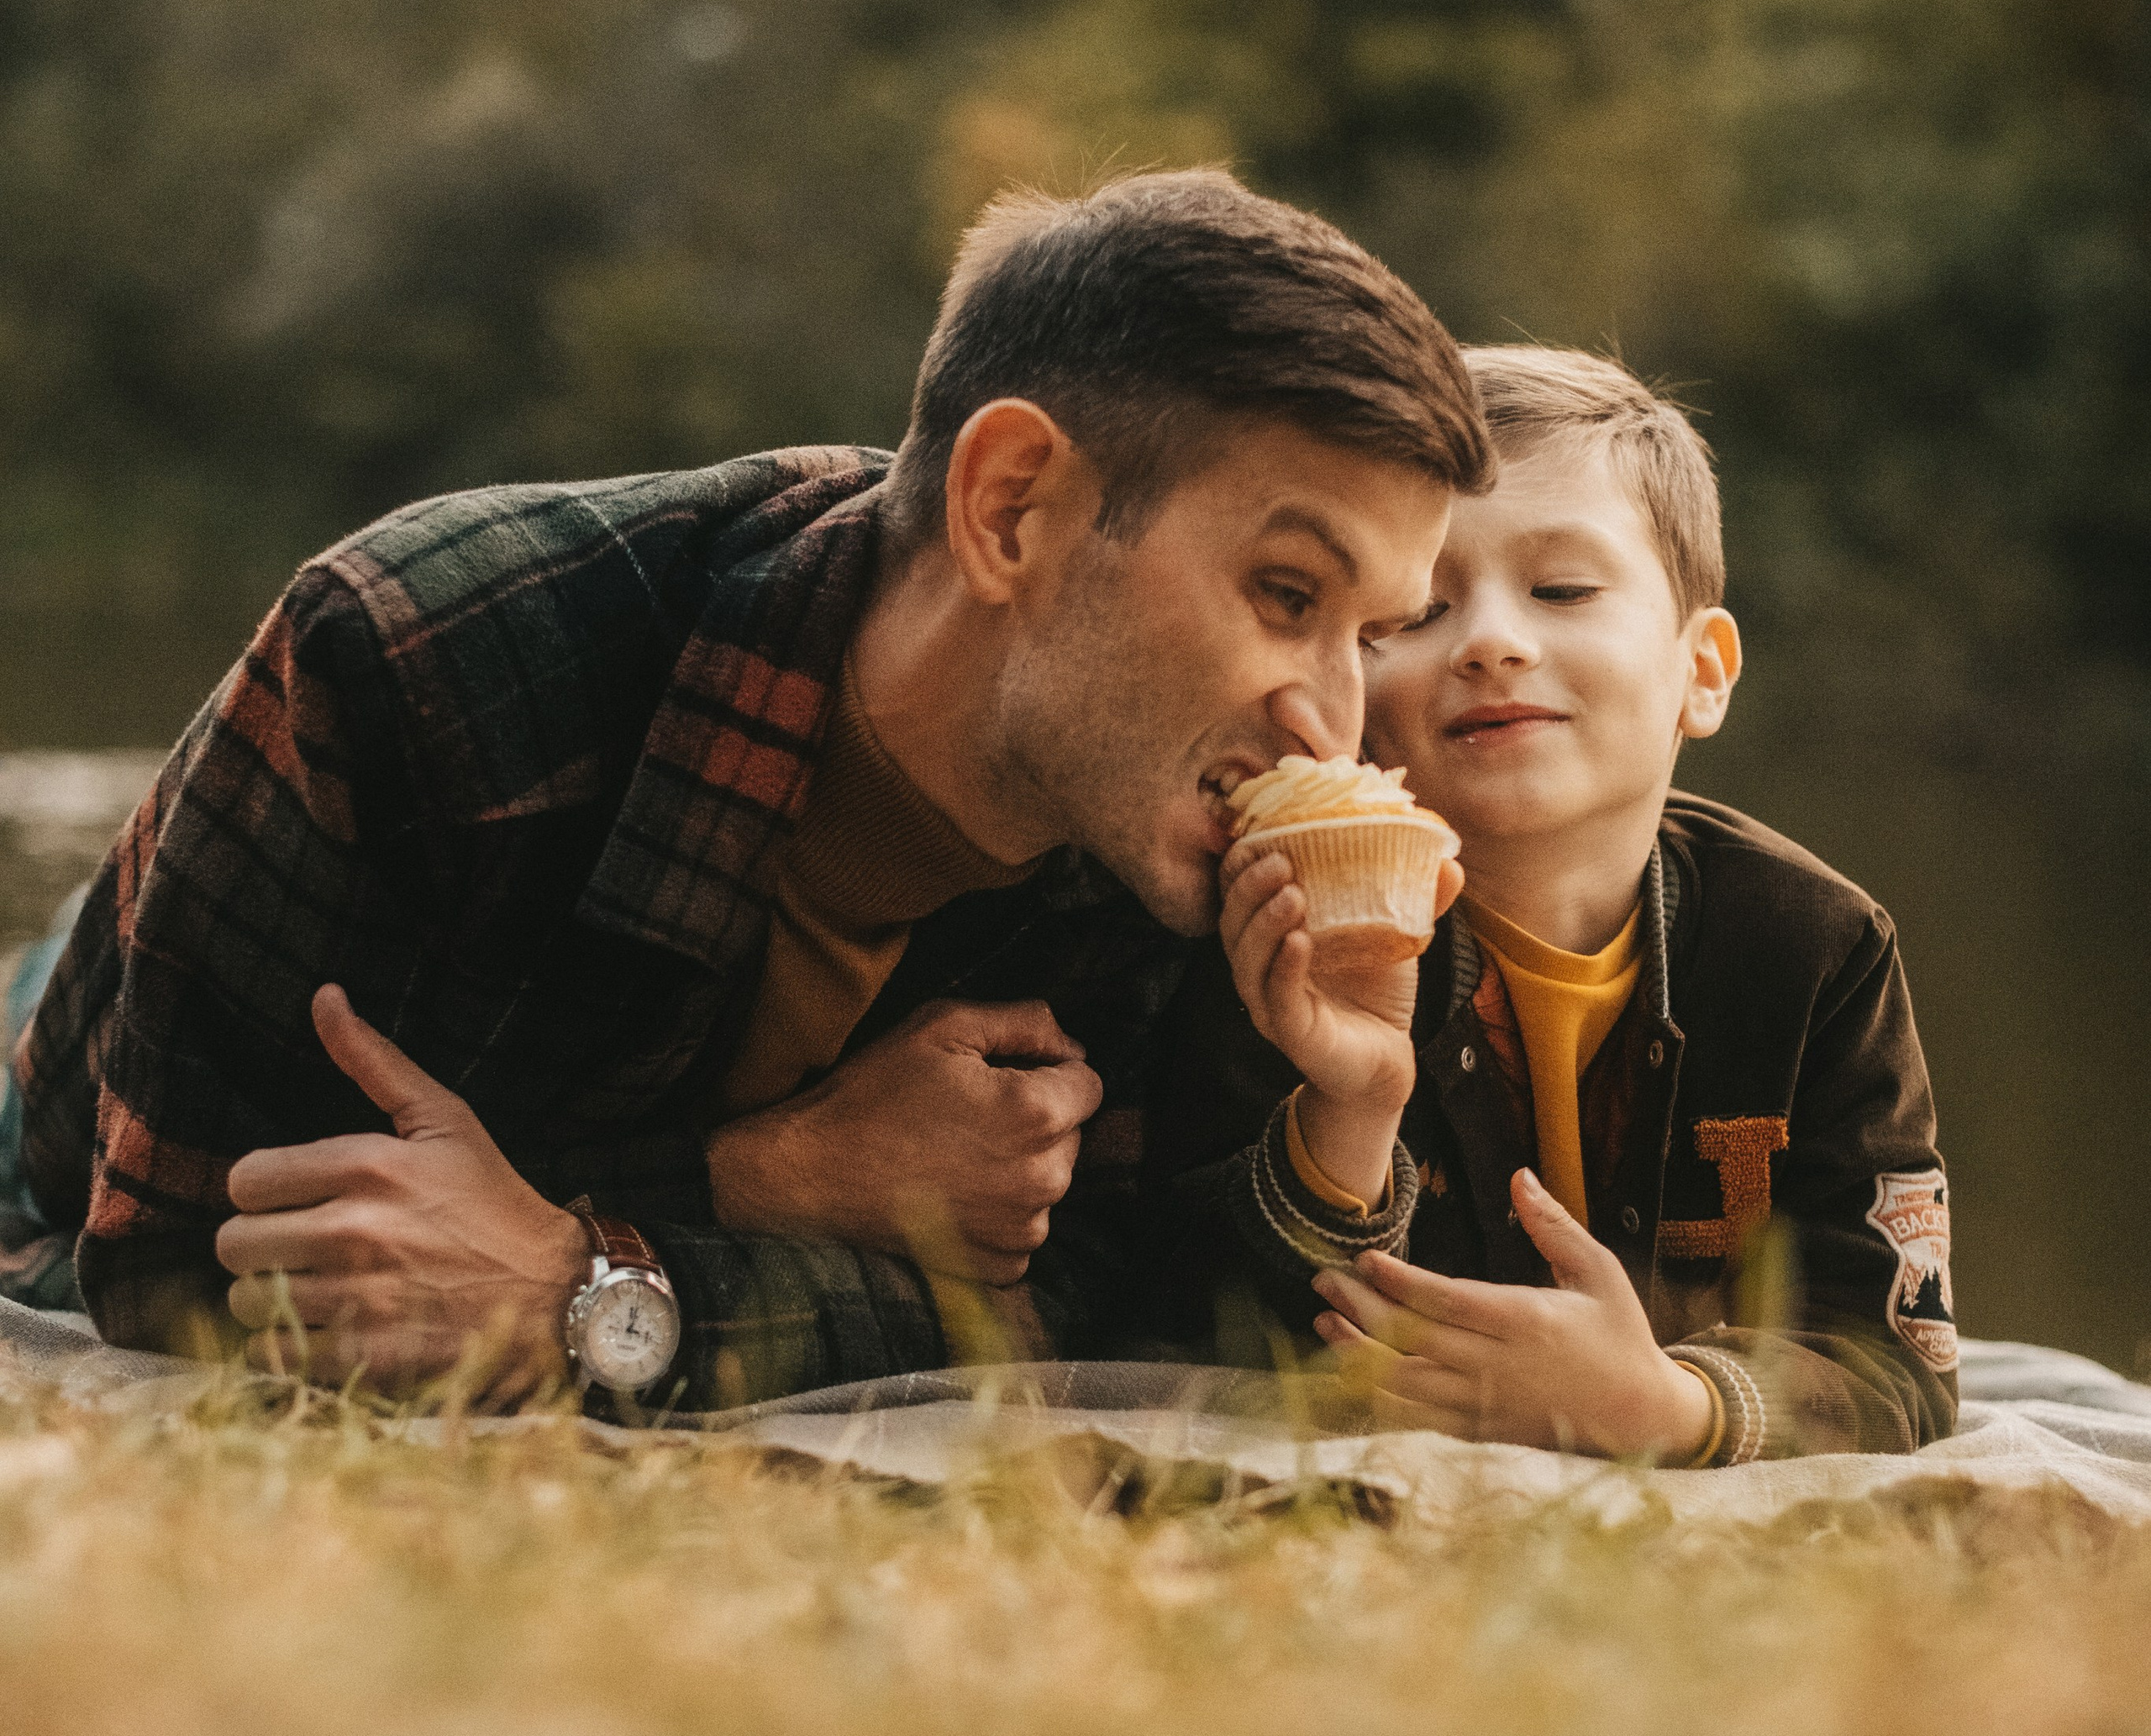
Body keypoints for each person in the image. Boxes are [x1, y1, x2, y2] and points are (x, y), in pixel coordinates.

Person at [5, 171, 1490, 1405]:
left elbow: (1101, 1330)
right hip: (54, 1081)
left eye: (1372, 633)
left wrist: (1352, 1103)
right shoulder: (425, 654)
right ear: (1011, 508)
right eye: (1286, 593)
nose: (1332, 724)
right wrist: (759, 1181)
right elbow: (185, 1266)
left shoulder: (1161, 828)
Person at [1150, 347, 1957, 1462]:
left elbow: (1898, 1361)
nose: (1491, 640)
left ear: (1703, 671)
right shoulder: (1289, 929)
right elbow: (1186, 1329)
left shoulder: (1819, 951)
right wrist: (1353, 1109)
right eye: (1419, 611)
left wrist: (1673, 1406)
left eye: (1564, 589)